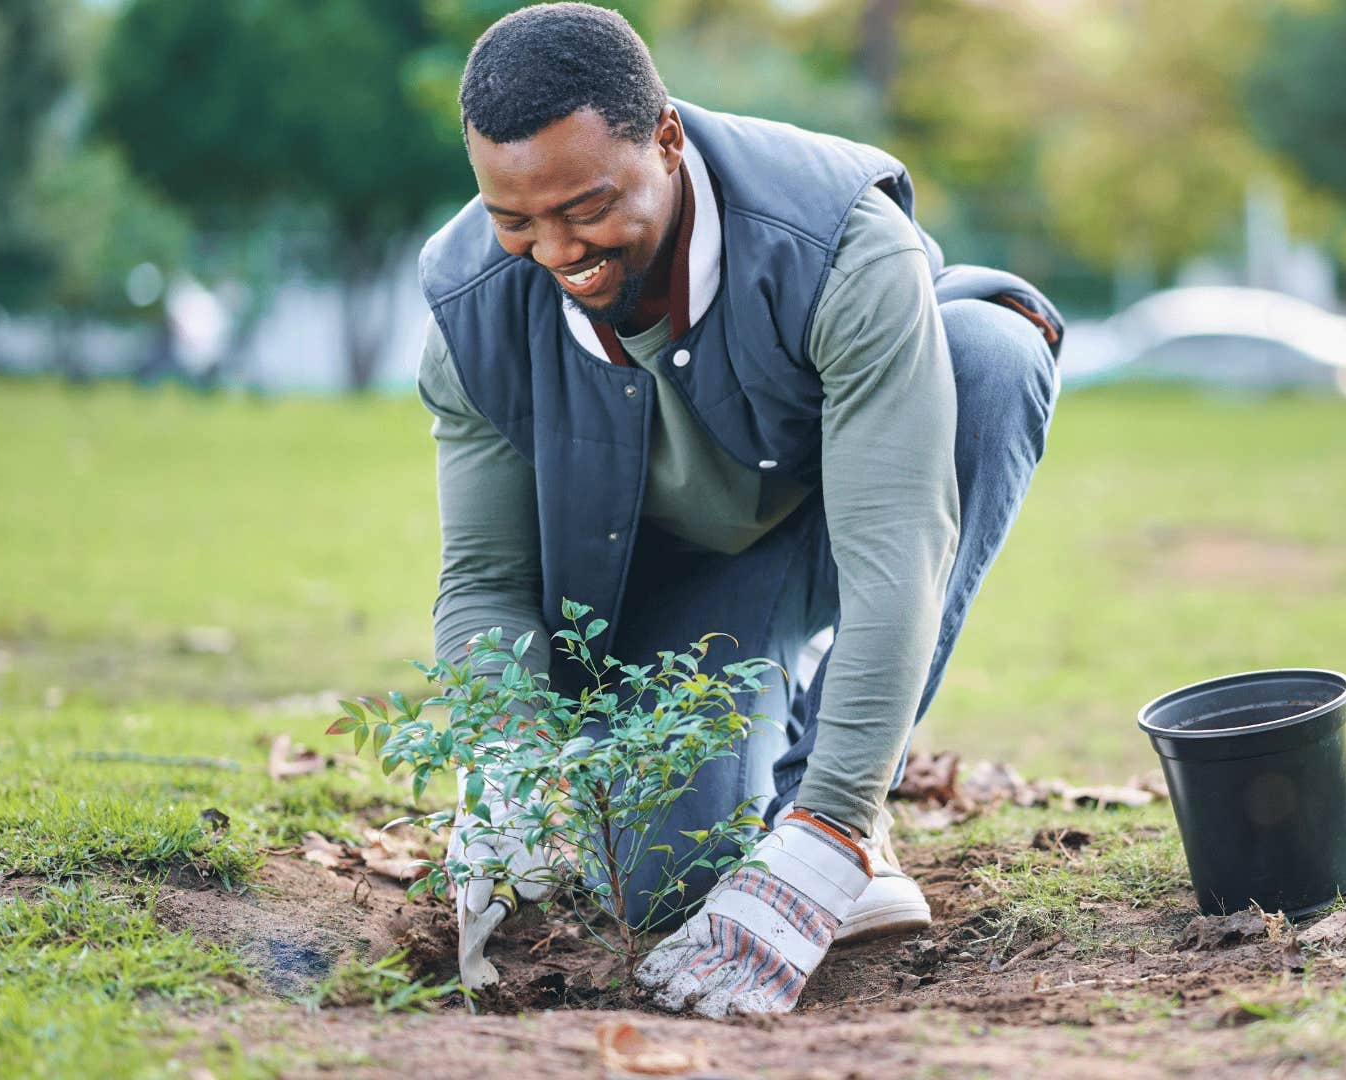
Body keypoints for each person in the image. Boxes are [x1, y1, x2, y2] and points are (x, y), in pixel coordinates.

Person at [417, 3, 1060, 1018]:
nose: (555, 251)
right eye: (515, 220)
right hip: (673, 582)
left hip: (847, 506)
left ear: (666, 140)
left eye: (586, 208)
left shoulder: (839, 238)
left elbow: (897, 546)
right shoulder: (470, 311)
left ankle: (829, 800)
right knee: (673, 879)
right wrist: (506, 772)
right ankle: (751, 789)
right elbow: (487, 581)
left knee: (991, 358)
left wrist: (827, 835)